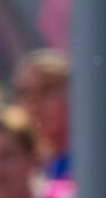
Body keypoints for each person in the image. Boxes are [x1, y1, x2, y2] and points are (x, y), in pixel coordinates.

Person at [13, 49, 70, 181]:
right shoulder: (19, 171)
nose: (34, 105)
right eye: (24, 93)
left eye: (46, 92)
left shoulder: (92, 162)